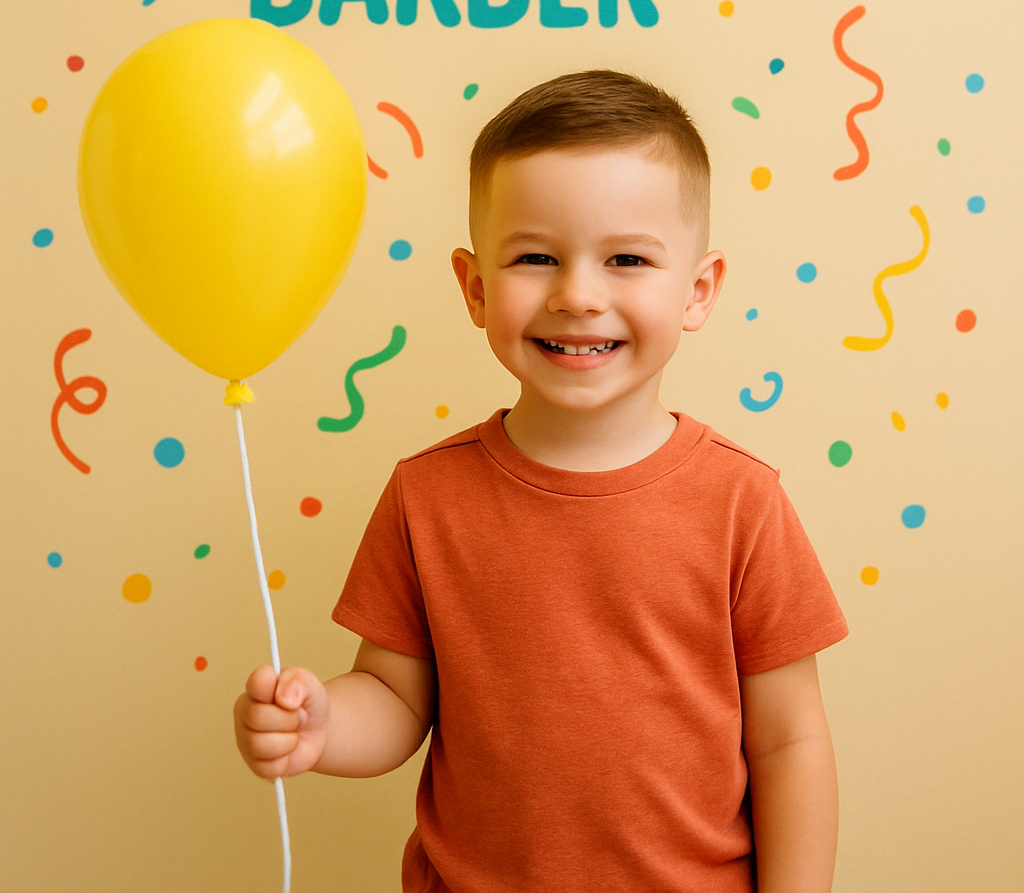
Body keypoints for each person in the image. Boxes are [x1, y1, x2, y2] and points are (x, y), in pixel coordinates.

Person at [234, 70, 848, 893]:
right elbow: (393, 698)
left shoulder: (744, 502)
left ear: (697, 291)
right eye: (536, 258)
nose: (578, 296)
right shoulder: (427, 496)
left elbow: (790, 743)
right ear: (476, 288)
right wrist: (322, 725)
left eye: (627, 258)